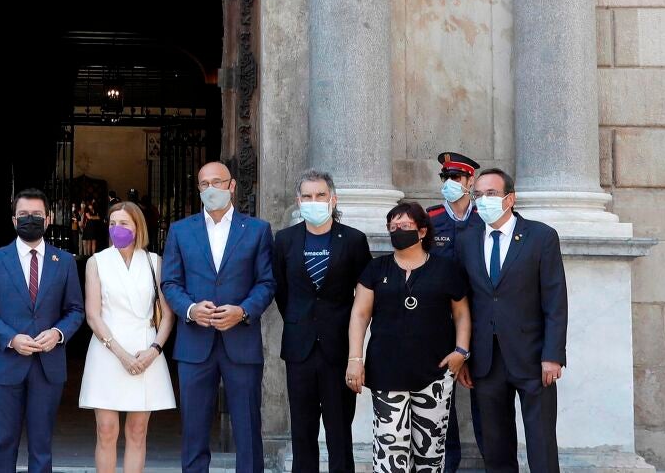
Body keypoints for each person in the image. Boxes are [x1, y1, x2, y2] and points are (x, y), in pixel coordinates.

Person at [160, 161, 276, 473]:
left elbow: (266, 282)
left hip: (241, 342)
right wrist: (190, 309)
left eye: (218, 182)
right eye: (204, 184)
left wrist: (243, 311)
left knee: (247, 428)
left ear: (232, 186)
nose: (211, 189)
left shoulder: (257, 230)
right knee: (194, 430)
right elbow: (170, 282)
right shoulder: (180, 231)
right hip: (194, 345)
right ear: (198, 189)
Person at [455, 169, 568, 473]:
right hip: (485, 360)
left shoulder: (541, 237)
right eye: (478, 195)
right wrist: (462, 355)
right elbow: (461, 303)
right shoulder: (466, 240)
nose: (483, 200)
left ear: (510, 198)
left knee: (541, 442)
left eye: (491, 194)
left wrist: (553, 355)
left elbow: (555, 300)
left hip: (533, 357)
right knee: (495, 445)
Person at [346, 201, 471, 473]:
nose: (397, 231)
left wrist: (461, 352)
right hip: (386, 373)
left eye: (404, 225)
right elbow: (360, 314)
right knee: (390, 451)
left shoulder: (445, 269)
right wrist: (355, 359)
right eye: (392, 227)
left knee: (430, 453)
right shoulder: (376, 269)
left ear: (422, 231)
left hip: (434, 374)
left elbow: (461, 313)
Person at [0, 189, 85, 473]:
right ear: (13, 220)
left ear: (48, 218)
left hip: (48, 366)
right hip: (5, 364)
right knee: (4, 442)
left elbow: (75, 310)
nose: (29, 219)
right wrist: (11, 338)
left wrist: (58, 334)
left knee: (42, 445)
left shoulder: (64, 262)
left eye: (36, 214)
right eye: (23, 214)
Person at [272, 172, 370, 473]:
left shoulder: (353, 240)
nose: (313, 201)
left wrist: (355, 354)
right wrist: (301, 321)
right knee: (302, 431)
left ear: (333, 199)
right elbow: (281, 291)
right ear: (298, 200)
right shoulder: (285, 240)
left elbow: (365, 296)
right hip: (299, 348)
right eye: (307, 196)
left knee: (339, 430)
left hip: (338, 349)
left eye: (320, 195)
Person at [78, 200, 175, 473]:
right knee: (106, 430)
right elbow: (93, 315)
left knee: (137, 430)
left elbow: (167, 316)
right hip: (107, 350)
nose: (116, 228)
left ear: (137, 226)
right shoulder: (97, 262)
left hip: (146, 351)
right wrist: (121, 355)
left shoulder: (154, 262)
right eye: (112, 223)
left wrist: (154, 350)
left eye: (123, 223)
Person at [427, 152, 482, 473]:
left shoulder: (485, 218)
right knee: (440, 402)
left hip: (482, 319)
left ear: (470, 181)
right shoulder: (430, 219)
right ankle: (448, 465)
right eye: (445, 177)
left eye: (456, 177)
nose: (450, 183)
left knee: (485, 399)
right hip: (442, 321)